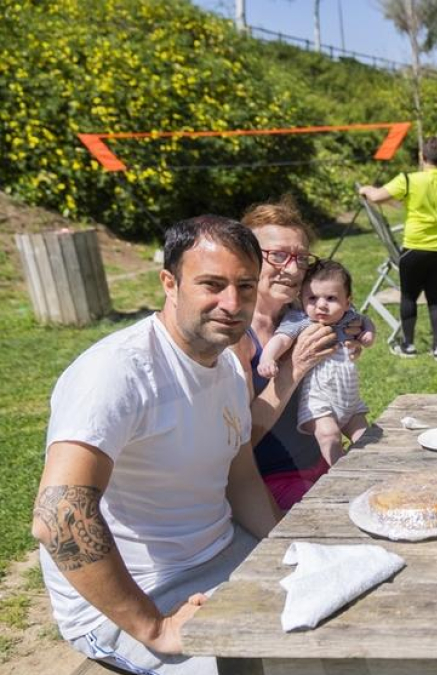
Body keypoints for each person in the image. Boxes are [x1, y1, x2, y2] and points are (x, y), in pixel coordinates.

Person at [32, 216, 281, 675]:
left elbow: (241, 478)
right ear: (170, 282)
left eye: (246, 287)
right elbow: (60, 518)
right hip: (140, 596)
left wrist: (290, 546)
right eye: (212, 284)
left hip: (226, 551)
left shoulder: (227, 366)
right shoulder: (117, 372)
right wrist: (156, 628)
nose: (232, 303)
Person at [236, 197, 344, 512]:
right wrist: (294, 367)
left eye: (301, 257)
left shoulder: (302, 316)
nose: (294, 269)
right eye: (279, 256)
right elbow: (241, 440)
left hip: (321, 459)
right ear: (246, 259)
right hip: (269, 480)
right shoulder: (235, 336)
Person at [257, 260, 375, 468]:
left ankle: (366, 469)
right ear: (301, 300)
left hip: (350, 401)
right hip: (318, 403)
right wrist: (268, 358)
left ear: (348, 302)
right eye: (312, 298)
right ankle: (340, 474)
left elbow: (366, 321)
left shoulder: (349, 317)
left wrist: (368, 334)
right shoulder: (301, 321)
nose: (321, 305)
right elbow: (281, 339)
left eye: (331, 298)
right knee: (329, 436)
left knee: (367, 439)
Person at [359, 135, 437, 361]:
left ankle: (408, 346)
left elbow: (376, 197)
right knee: (436, 299)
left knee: (408, 297)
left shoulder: (408, 180)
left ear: (421, 156)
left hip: (414, 248)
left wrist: (366, 189)